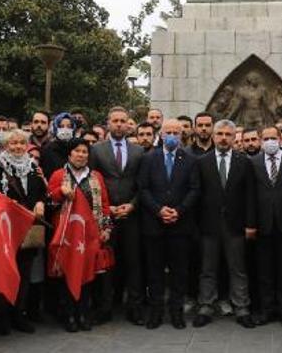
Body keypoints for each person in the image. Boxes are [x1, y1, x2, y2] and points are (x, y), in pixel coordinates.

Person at [192, 119, 256, 329]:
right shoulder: (202, 162)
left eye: (228, 135)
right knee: (208, 268)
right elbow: (197, 195)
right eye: (220, 134)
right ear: (213, 135)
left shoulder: (243, 162)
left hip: (236, 225)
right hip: (208, 226)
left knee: (238, 268)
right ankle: (206, 305)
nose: (223, 138)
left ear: (233, 137)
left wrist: (250, 224)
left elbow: (249, 196)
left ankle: (241, 307)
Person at [138, 119, 200, 329]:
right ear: (161, 134)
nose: (172, 135)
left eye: (176, 132)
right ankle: (156, 312)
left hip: (181, 226)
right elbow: (143, 188)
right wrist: (159, 210)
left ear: (182, 135)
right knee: (154, 271)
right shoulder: (148, 158)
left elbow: (194, 190)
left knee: (179, 272)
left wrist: (179, 211)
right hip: (154, 224)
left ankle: (176, 312)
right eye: (168, 132)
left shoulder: (190, 159)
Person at [48, 138, 113, 332]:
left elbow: (105, 205)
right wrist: (60, 192)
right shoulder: (59, 175)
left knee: (88, 274)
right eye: (77, 151)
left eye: (85, 152)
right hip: (66, 235)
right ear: (69, 154)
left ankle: (83, 313)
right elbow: (49, 202)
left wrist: (107, 228)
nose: (81, 155)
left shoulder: (96, 177)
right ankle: (68, 314)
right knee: (67, 273)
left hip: (90, 236)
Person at [89, 107, 146, 326]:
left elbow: (143, 185)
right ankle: (104, 308)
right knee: (106, 263)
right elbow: (92, 181)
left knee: (134, 263)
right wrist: (107, 208)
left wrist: (131, 206)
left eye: (123, 121)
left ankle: (134, 308)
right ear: (108, 123)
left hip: (132, 216)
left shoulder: (138, 151)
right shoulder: (96, 150)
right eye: (115, 121)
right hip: (106, 217)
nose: (120, 124)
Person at [0, 129, 46, 334]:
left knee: (24, 274)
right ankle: (2, 317)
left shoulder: (33, 168)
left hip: (30, 227)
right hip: (7, 227)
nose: (17, 147)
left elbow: (41, 191)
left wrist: (41, 202)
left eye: (21, 143)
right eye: (13, 143)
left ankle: (19, 314)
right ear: (6, 146)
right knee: (7, 273)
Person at [250, 126, 282, 327]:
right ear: (261, 141)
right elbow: (250, 197)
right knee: (265, 271)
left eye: (273, 137)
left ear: (280, 139)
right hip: (262, 226)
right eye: (266, 138)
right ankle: (267, 309)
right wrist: (251, 223)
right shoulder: (252, 163)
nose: (270, 141)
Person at [40, 112, 75, 178]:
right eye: (61, 126)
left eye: (69, 126)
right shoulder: (47, 149)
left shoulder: (76, 148)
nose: (65, 129)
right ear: (56, 128)